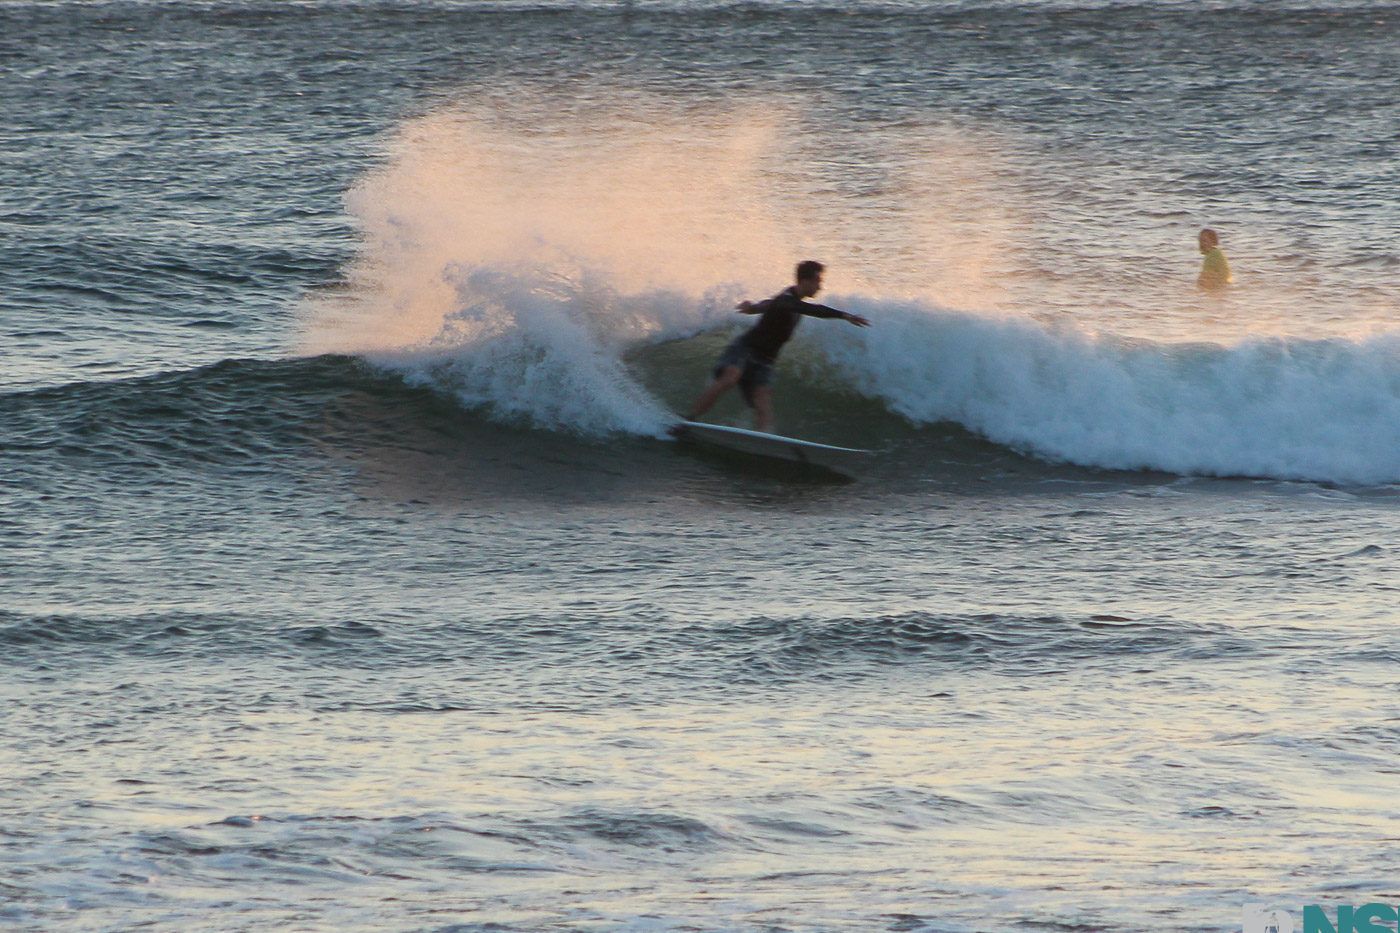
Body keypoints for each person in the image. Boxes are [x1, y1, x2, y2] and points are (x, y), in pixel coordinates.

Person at [681, 260, 870, 433]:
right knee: (730, 378)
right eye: (818, 281)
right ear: (805, 281)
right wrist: (844, 315)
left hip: (765, 360)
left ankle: (764, 440)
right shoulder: (789, 300)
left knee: (762, 402)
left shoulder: (788, 300)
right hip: (745, 349)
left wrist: (754, 308)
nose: (820, 286)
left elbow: (769, 304)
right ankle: (689, 419)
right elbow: (811, 309)